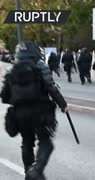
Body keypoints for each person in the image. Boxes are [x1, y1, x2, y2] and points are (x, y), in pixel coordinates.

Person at [0, 41, 68, 180]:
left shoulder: (13, 69)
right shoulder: (40, 65)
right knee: (45, 143)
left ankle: (28, 172)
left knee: (26, 142)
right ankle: (36, 170)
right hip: (40, 111)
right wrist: (63, 104)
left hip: (20, 114)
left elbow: (4, 96)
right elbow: (51, 87)